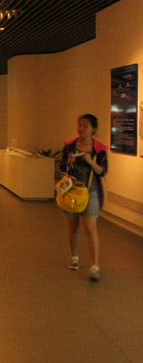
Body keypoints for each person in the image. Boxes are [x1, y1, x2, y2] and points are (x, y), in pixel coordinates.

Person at [59, 114, 108, 281]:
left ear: (93, 129)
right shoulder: (69, 145)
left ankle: (95, 265)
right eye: (79, 125)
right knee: (73, 226)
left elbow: (103, 171)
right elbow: (62, 168)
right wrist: (69, 162)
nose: (81, 129)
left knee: (90, 227)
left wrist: (91, 162)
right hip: (72, 191)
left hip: (91, 191)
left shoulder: (99, 149)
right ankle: (74, 258)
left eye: (85, 126)